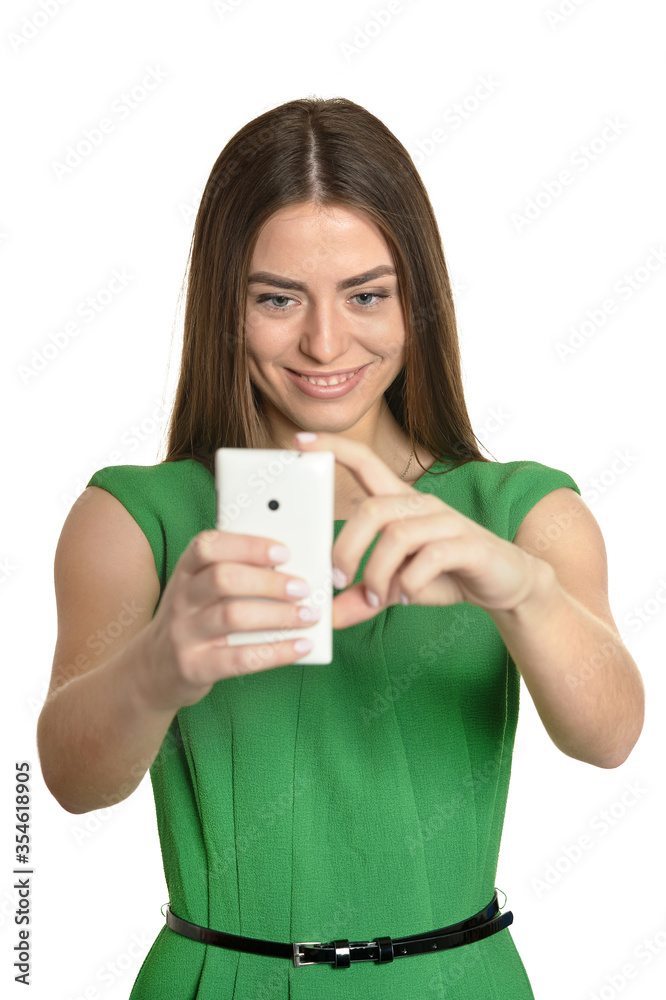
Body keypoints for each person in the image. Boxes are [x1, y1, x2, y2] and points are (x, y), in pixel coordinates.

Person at [37, 96, 645, 1000]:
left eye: (366, 295)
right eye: (278, 299)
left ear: (417, 302)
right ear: (224, 308)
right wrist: (160, 664)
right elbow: (70, 781)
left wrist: (523, 589)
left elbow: (611, 737)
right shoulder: (135, 516)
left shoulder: (522, 510)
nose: (325, 343)